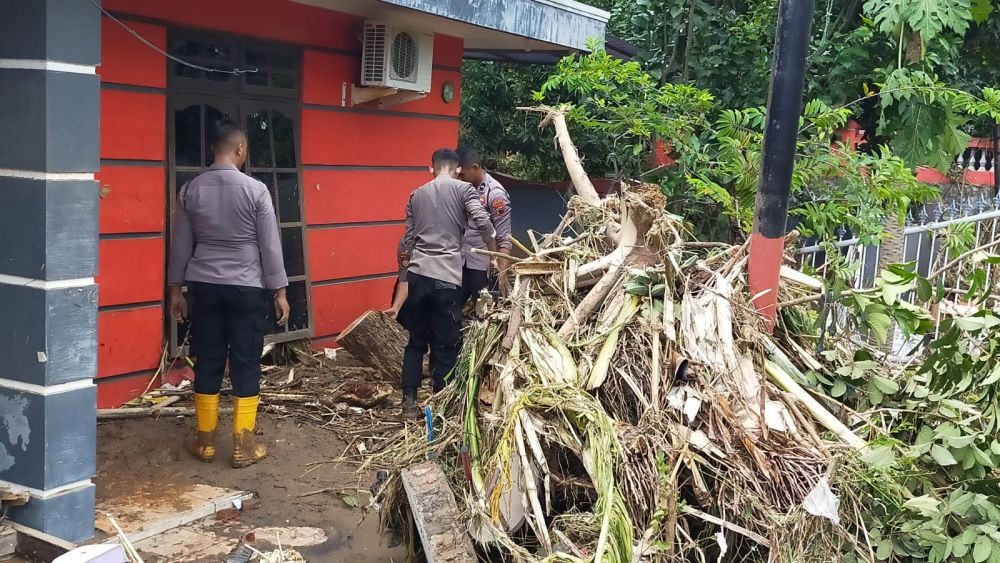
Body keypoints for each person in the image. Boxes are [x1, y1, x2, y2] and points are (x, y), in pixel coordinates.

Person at [167, 121, 290, 469]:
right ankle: (243, 444)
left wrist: (176, 290)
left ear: (213, 150)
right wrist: (279, 290)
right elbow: (269, 245)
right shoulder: (256, 190)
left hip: (204, 287)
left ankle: (205, 441)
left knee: (207, 359)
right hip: (247, 287)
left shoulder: (191, 189)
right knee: (246, 360)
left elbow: (181, 246)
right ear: (240, 150)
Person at [399, 148, 497, 418]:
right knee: (445, 345)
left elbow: (406, 242)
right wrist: (492, 252)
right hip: (446, 279)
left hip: (418, 278)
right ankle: (440, 406)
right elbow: (483, 222)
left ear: (431, 169)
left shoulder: (416, 194)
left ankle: (408, 404)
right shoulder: (465, 191)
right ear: (456, 170)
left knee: (415, 341)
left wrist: (403, 273)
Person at [458, 148, 512, 306]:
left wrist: (501, 276)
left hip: (483, 267)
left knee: (483, 313)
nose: (459, 179)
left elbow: (504, 239)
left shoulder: (495, 195)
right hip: (460, 263)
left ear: (475, 168)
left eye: (462, 175)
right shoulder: (461, 189)